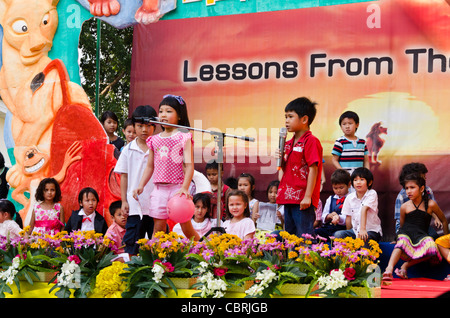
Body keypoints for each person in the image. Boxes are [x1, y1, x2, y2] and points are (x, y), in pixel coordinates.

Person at [133, 94, 199, 241]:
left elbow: (189, 166)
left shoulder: (184, 137)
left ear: (179, 116)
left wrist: (185, 188)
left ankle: (204, 254)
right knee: (158, 229)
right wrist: (141, 185)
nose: (163, 115)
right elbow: (150, 166)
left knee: (186, 226)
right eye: (161, 111)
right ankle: (156, 260)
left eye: (169, 111)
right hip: (159, 190)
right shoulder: (154, 140)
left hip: (178, 188)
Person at [382, 173, 448, 280]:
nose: (409, 191)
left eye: (412, 187)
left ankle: (405, 266)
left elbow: (444, 221)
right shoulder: (404, 207)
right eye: (406, 188)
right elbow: (402, 227)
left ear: (422, 188)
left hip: (422, 235)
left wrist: (446, 239)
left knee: (431, 245)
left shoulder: (431, 204)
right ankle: (388, 270)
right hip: (406, 234)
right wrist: (398, 238)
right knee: (402, 241)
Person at [276, 97, 323, 237]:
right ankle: (292, 259)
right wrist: (281, 160)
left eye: (290, 116)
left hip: (303, 200)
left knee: (304, 237)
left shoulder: (311, 141)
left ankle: (306, 259)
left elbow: (313, 169)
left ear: (304, 120)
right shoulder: (288, 143)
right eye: (285, 117)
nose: (286, 121)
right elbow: (288, 170)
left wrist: (308, 196)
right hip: (288, 196)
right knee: (290, 236)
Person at [114, 105, 157, 255]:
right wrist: (124, 200)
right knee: (132, 243)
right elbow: (124, 176)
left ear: (155, 126)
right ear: (133, 126)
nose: (144, 130)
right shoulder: (128, 149)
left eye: (148, 126)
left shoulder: (159, 148)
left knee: (158, 245)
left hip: (156, 205)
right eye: (140, 126)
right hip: (134, 205)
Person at [334, 167, 382, 242]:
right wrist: (348, 240)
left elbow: (364, 209)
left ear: (369, 182)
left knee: (364, 238)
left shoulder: (372, 193)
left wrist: (363, 229)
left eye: (362, 179)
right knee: (338, 235)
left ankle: (364, 253)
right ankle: (347, 253)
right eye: (355, 180)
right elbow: (348, 217)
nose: (358, 182)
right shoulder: (349, 197)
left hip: (371, 231)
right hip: (355, 231)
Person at [394, 162, 440, 238]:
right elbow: (399, 221)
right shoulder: (401, 196)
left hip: (423, 227)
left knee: (433, 236)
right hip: (407, 228)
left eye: (425, 176)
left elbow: (432, 209)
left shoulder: (428, 190)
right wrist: (399, 235)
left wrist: (437, 218)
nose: (425, 178)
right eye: (423, 176)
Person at [314, 169, 351, 241]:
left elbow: (349, 219)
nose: (338, 191)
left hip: (342, 228)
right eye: (335, 188)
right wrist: (328, 216)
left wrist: (338, 218)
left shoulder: (351, 198)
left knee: (338, 235)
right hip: (328, 228)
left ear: (349, 185)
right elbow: (323, 216)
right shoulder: (330, 199)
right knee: (314, 233)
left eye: (341, 187)